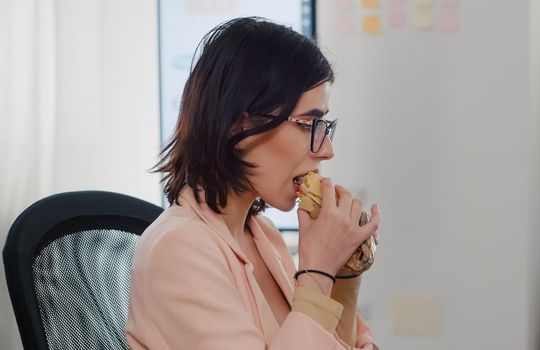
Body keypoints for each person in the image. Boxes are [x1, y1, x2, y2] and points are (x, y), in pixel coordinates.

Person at [125, 17, 380, 349]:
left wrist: (345, 273)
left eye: (325, 127)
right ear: (238, 125)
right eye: (308, 124)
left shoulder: (263, 236)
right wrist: (317, 271)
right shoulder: (178, 249)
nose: (327, 150)